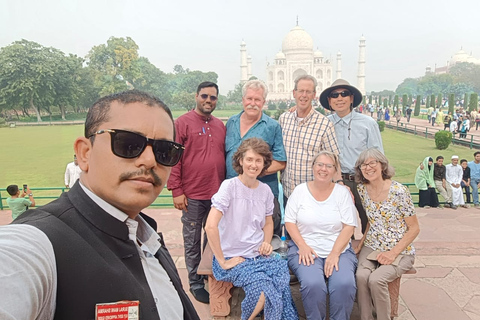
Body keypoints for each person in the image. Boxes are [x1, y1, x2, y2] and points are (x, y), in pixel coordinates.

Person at [0, 90, 199, 320]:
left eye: (164, 151)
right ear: (84, 153)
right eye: (128, 144)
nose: (149, 160)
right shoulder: (41, 245)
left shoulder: (146, 236)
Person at [205, 138, 298, 320]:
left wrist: (265, 242)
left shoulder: (265, 191)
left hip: (258, 255)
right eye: (249, 159)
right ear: (240, 160)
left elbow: (268, 222)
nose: (253, 165)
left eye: (258, 160)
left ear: (264, 164)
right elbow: (210, 225)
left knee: (281, 278)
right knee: (263, 289)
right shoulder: (229, 187)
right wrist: (223, 261)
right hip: (234, 257)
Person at [167, 81, 226, 303]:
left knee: (213, 238)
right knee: (192, 240)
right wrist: (176, 190)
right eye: (204, 96)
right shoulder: (182, 123)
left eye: (212, 97)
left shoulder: (220, 125)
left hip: (217, 194)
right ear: (196, 96)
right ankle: (194, 282)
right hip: (192, 193)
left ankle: (209, 276)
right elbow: (174, 159)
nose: (208, 101)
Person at [285, 150, 357, 320]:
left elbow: (349, 226)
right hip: (305, 247)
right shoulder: (300, 191)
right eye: (320, 164)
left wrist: (335, 253)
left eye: (329, 166)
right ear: (313, 167)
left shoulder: (342, 193)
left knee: (344, 283)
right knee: (313, 284)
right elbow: (289, 222)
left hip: (338, 249)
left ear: (334, 170)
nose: (323, 169)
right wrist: (302, 246)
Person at [354, 148, 420, 320]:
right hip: (372, 245)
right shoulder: (362, 189)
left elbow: (414, 228)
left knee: (376, 280)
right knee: (361, 276)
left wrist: (392, 253)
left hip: (400, 249)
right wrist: (360, 245)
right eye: (363, 165)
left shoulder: (399, 191)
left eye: (372, 163)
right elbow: (372, 220)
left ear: (382, 165)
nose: (368, 168)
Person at [319, 78, 384, 234]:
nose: (339, 98)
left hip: (363, 180)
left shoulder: (367, 124)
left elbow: (378, 157)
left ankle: (369, 256)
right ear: (329, 100)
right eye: (335, 95)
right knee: (336, 226)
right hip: (335, 181)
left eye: (344, 94)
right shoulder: (324, 124)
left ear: (351, 98)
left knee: (371, 223)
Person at [225, 80, 286, 237]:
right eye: (249, 99)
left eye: (257, 100)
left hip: (263, 196)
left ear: (263, 102)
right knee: (237, 239)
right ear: (243, 100)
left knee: (268, 241)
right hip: (234, 195)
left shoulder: (272, 126)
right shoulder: (231, 122)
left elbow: (280, 161)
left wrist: (252, 173)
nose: (253, 103)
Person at [279, 75, 339, 204]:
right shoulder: (284, 119)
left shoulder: (324, 124)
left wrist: (339, 185)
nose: (304, 95)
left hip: (314, 195)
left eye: (308, 92)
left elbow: (334, 160)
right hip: (288, 192)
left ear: (314, 95)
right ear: (294, 93)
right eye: (301, 91)